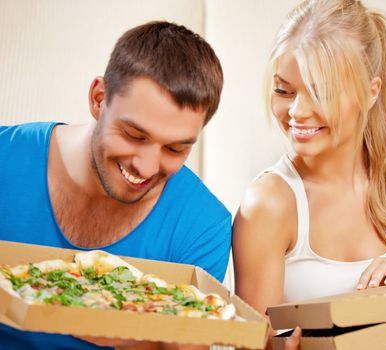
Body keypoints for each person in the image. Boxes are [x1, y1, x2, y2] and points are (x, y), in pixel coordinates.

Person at [232, 1, 386, 349]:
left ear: (371, 92)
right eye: (283, 90)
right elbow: (251, 344)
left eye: (321, 92)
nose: (296, 112)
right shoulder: (269, 204)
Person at [0, 21, 230, 349]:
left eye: (175, 148)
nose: (147, 167)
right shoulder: (5, 157)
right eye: (134, 135)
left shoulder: (203, 226)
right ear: (98, 98)